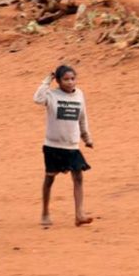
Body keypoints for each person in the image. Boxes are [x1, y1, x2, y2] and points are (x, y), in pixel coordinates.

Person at [34, 65, 94, 227]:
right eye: (66, 79)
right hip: (53, 145)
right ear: (58, 81)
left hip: (72, 145)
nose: (70, 82)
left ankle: (79, 214)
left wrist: (86, 137)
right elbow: (37, 98)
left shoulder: (79, 95)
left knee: (78, 177)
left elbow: (82, 117)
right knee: (50, 178)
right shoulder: (51, 95)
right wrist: (47, 80)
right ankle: (45, 212)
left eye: (73, 79)